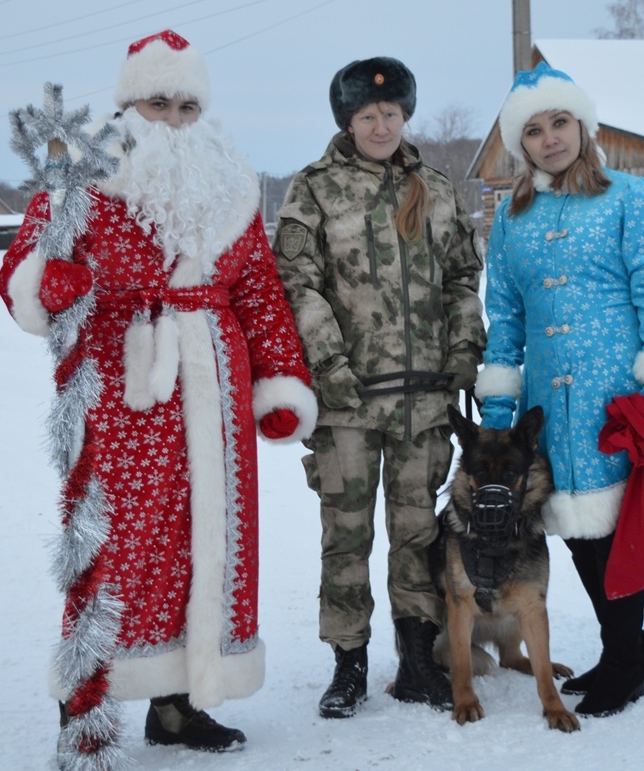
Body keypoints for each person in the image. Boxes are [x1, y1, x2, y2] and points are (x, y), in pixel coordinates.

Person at [0, 29, 318, 769]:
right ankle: (86, 704)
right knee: (120, 542)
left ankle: (179, 705)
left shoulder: (233, 180)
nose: (172, 117)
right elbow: (28, 267)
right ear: (127, 105)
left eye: (184, 104)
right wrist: (52, 287)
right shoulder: (83, 177)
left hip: (216, 385)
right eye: (157, 102)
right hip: (123, 384)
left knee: (210, 543)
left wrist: (278, 378)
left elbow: (259, 292)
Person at [475, 62, 644, 718]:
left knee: (617, 534)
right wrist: (498, 410)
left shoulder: (631, 198)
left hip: (613, 401)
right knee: (574, 529)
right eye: (535, 130)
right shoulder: (513, 219)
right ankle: (631, 650)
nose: (550, 138)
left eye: (560, 122)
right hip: (549, 410)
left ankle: (624, 661)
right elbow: (505, 317)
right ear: (521, 143)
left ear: (583, 125)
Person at [273, 56, 486, 719]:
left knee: (418, 530)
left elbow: (460, 278)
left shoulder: (437, 187)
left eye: (391, 113)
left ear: (405, 116)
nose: (381, 124)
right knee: (345, 535)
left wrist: (463, 351)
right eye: (367, 114)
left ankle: (419, 656)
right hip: (346, 399)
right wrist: (329, 365)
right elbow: (296, 283)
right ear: (347, 120)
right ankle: (348, 662)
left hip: (425, 397)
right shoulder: (313, 190)